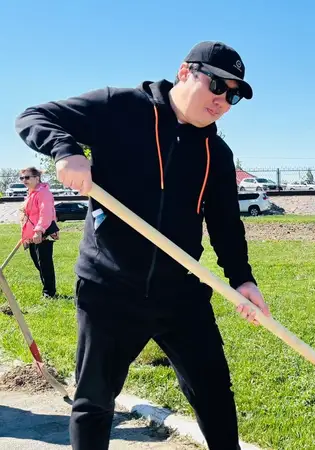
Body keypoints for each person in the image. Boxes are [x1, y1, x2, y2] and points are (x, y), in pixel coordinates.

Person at [15, 41, 269, 450]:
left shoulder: (216, 153)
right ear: (186, 72)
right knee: (95, 401)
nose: (224, 100)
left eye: (234, 95)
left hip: (180, 291)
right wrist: (66, 153)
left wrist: (242, 278)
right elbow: (33, 116)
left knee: (215, 396)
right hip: (109, 289)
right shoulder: (121, 107)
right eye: (218, 86)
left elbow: (225, 223)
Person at [18, 166, 58, 298]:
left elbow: (45, 213)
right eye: (22, 178)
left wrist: (39, 231)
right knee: (38, 263)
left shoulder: (43, 193)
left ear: (37, 178)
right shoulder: (31, 193)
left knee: (44, 263)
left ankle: (49, 293)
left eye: (27, 177)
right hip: (33, 234)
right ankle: (47, 290)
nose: (24, 180)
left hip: (43, 232)